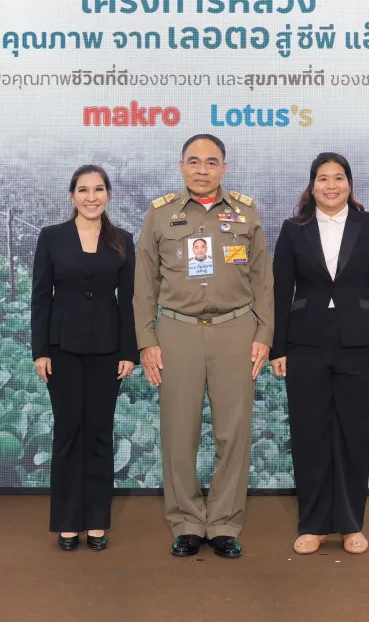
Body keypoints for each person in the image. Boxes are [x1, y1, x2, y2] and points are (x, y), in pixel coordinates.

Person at [134, 134, 274, 558]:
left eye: (211, 162)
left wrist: (264, 334)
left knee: (234, 433)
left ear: (224, 169)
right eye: (193, 161)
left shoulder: (246, 214)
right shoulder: (159, 216)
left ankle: (225, 522)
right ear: (181, 167)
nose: (201, 169)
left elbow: (264, 281)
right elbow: (143, 286)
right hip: (177, 334)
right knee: (180, 432)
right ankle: (187, 521)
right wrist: (147, 341)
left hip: (236, 333)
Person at [269, 152, 369, 556]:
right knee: (309, 435)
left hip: (361, 343)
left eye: (338, 178)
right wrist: (278, 347)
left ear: (349, 184)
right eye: (322, 178)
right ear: (311, 186)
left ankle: (350, 524)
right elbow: (279, 292)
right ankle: (312, 524)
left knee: (355, 435)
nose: (330, 185)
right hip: (306, 343)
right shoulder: (293, 230)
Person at [31, 164, 138, 552]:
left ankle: (96, 521)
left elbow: (129, 302)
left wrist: (130, 351)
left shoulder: (122, 240)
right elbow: (41, 296)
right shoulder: (52, 237)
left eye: (98, 189)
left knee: (98, 434)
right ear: (72, 195)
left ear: (108, 193)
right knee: (68, 433)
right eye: (83, 190)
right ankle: (67, 522)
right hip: (62, 350)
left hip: (108, 352)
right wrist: (39, 351)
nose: (91, 197)